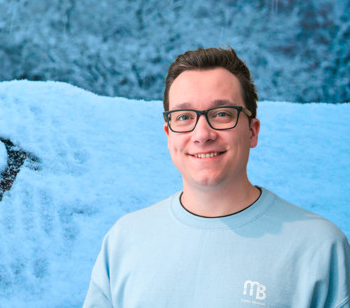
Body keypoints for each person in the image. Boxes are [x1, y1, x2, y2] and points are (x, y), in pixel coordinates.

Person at [84, 46, 350, 308]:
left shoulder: (320, 248)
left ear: (252, 131)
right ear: (169, 134)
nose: (202, 134)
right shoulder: (124, 240)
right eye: (184, 116)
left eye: (222, 114)